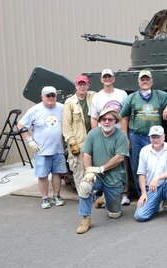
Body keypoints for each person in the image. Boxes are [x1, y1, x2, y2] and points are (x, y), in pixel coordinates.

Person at [121, 69, 167, 197]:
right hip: (136, 137)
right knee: (137, 166)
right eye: (142, 79)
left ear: (152, 81)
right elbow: (124, 117)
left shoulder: (159, 95)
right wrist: (126, 137)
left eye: (147, 79)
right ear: (139, 82)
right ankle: (143, 194)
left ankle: (157, 194)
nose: (145, 81)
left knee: (157, 165)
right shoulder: (132, 98)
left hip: (155, 138)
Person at [76, 108, 129, 234]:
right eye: (103, 119)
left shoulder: (121, 135)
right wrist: (89, 171)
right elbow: (87, 154)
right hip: (96, 175)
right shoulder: (93, 134)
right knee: (84, 186)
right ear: (99, 121)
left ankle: (104, 198)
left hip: (114, 177)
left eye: (110, 119)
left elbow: (120, 157)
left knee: (114, 214)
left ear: (115, 121)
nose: (106, 122)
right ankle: (86, 218)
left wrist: (101, 168)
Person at [17, 86, 68, 209]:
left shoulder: (62, 108)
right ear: (42, 97)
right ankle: (45, 198)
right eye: (48, 96)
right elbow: (20, 125)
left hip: (58, 148)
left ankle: (57, 195)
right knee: (43, 175)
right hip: (41, 150)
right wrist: (30, 141)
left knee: (57, 174)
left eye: (53, 96)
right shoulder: (34, 110)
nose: (51, 98)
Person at [89, 68, 130, 206]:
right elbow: (94, 118)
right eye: (104, 77)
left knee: (122, 164)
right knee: (104, 164)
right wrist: (96, 136)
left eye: (109, 77)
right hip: (103, 134)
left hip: (118, 135)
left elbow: (124, 116)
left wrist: (125, 135)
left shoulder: (122, 94)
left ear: (113, 79)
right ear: (101, 79)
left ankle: (124, 193)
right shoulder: (97, 97)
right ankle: (104, 194)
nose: (107, 79)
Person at [134, 125, 167, 224]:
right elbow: (141, 174)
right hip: (151, 189)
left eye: (158, 137)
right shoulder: (144, 151)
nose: (155, 140)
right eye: (153, 137)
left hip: (165, 185)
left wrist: (157, 178)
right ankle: (156, 205)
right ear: (149, 138)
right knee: (140, 216)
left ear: (163, 137)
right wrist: (143, 193)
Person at [62, 75, 95, 195]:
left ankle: (92, 193)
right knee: (79, 170)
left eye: (84, 84)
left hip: (93, 142)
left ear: (88, 85)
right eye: (80, 84)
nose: (82, 86)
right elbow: (66, 126)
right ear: (76, 86)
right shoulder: (69, 102)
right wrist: (72, 143)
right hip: (78, 142)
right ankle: (83, 195)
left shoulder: (93, 97)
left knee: (92, 170)